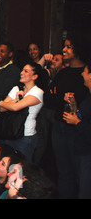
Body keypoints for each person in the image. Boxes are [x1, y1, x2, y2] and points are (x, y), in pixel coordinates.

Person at [44, 32, 90, 198]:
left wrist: (68, 100)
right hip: (59, 126)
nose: (64, 49)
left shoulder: (86, 74)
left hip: (77, 130)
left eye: (68, 47)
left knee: (80, 173)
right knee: (63, 172)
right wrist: (60, 97)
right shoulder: (63, 73)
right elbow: (48, 97)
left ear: (77, 50)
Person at [0, 62, 44, 161]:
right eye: (22, 70)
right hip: (10, 132)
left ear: (34, 76)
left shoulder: (38, 92)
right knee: (7, 162)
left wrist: (2, 102)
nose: (21, 73)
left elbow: (15, 108)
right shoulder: (16, 88)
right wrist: (14, 101)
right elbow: (0, 108)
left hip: (26, 135)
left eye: (26, 71)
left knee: (23, 165)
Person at [62, 56, 91, 199]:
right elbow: (84, 116)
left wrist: (77, 122)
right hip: (81, 149)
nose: (81, 74)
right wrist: (73, 105)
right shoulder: (88, 96)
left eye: (85, 72)